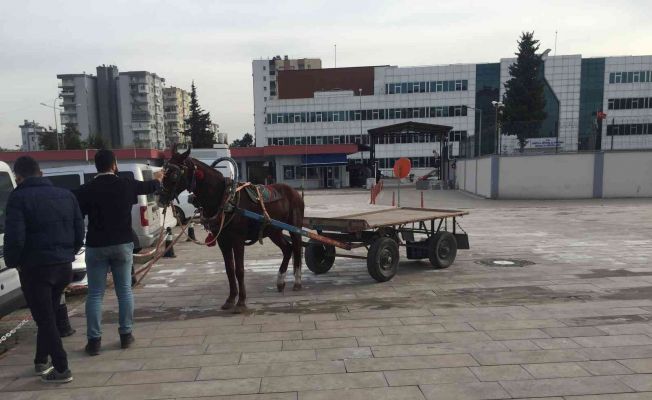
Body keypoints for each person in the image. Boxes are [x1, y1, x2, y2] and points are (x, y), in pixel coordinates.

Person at [3, 156, 84, 383]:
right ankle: (40, 360)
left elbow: (15, 237)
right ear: (40, 173)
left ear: (18, 177)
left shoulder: (18, 198)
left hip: (35, 268)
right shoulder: (66, 195)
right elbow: (79, 231)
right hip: (63, 267)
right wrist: (68, 253)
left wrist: (13, 261)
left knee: (45, 319)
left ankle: (61, 368)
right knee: (46, 314)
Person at [75, 150, 162, 356]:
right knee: (124, 291)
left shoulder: (86, 190)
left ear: (96, 166)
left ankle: (94, 341)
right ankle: (125, 335)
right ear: (114, 165)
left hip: (96, 245)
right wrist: (158, 179)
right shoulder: (126, 184)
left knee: (95, 294)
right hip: (122, 244)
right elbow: (150, 186)